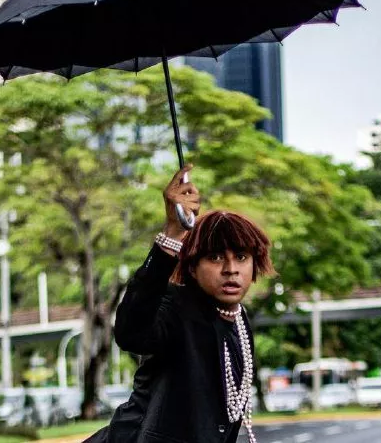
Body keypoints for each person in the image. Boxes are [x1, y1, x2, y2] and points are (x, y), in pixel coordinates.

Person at [86, 165, 274, 443]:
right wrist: (171, 237)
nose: (231, 269)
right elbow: (131, 332)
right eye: (215, 258)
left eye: (241, 257)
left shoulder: (238, 318)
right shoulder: (175, 306)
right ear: (193, 267)